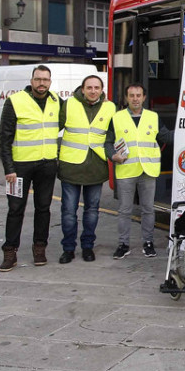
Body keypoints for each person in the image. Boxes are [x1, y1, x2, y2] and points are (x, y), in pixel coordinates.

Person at [0, 66, 60, 271]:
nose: (42, 83)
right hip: (19, 168)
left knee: (43, 209)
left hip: (47, 165)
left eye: (46, 80)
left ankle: (39, 248)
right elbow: (4, 138)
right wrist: (9, 168)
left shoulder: (56, 101)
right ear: (31, 81)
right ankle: (10, 251)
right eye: (38, 79)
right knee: (15, 209)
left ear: (50, 82)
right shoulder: (15, 101)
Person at [106, 83, 171, 259]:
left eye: (138, 95)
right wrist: (113, 156)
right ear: (127, 98)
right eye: (131, 95)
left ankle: (148, 243)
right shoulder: (117, 118)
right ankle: (123, 244)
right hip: (126, 170)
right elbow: (108, 142)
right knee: (125, 210)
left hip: (148, 169)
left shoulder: (153, 117)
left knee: (148, 209)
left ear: (144, 97)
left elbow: (166, 136)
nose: (135, 98)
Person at [57, 75, 116, 264]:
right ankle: (68, 249)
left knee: (92, 211)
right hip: (71, 167)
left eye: (96, 87)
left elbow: (115, 135)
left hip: (96, 167)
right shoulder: (69, 104)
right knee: (68, 212)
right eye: (89, 87)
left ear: (102, 89)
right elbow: (51, 129)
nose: (92, 91)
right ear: (82, 89)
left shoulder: (110, 107)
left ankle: (87, 247)